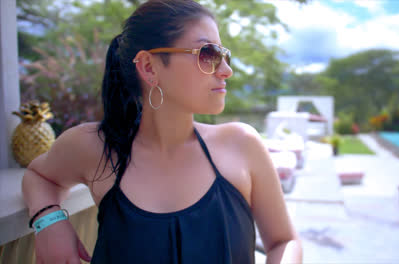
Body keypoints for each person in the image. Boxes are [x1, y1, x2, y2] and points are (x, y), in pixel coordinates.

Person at [21, 0, 302, 263]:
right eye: (208, 54)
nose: (226, 69)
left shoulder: (242, 145)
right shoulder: (93, 147)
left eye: (223, 55)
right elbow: (39, 175)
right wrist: (49, 221)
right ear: (148, 67)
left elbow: (283, 241)